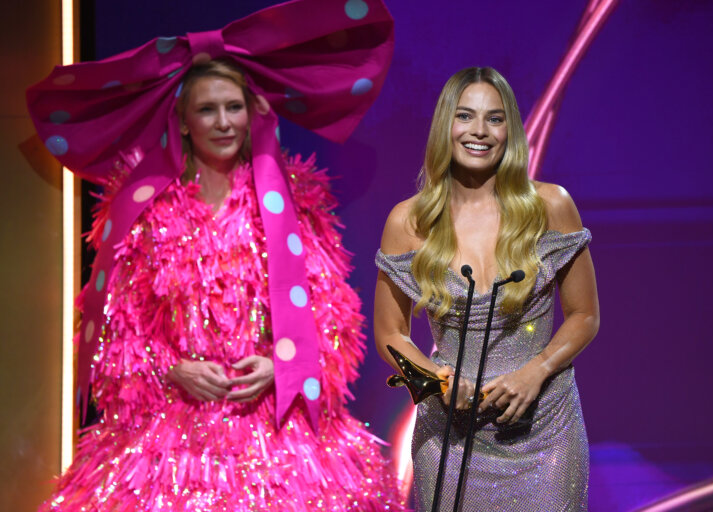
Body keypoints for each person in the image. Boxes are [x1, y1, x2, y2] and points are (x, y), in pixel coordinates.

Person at [29, 2, 405, 510]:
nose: (224, 122)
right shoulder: (144, 212)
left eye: (234, 107)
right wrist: (172, 370)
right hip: (170, 435)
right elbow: (119, 332)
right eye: (208, 109)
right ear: (183, 122)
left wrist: (281, 365)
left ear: (253, 114)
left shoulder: (298, 202)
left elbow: (334, 319)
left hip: (278, 430)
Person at [374, 67, 599, 511]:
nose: (480, 131)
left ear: (510, 130)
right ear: (446, 126)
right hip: (451, 438)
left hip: (544, 432)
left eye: (495, 119)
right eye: (466, 117)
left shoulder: (550, 206)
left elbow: (585, 315)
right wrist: (436, 380)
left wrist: (535, 372)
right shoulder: (409, 221)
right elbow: (390, 335)